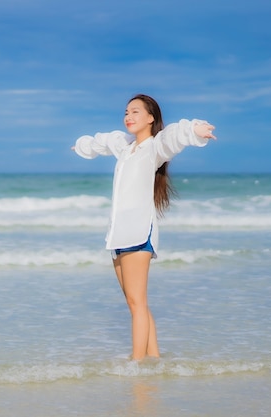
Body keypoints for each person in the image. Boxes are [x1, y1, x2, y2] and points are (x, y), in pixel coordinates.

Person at [71, 94, 216, 361]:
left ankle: (136, 364)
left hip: (138, 234)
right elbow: (103, 141)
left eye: (135, 112)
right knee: (135, 304)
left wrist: (195, 130)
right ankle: (155, 359)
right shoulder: (125, 148)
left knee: (138, 304)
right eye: (126, 112)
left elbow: (174, 136)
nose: (128, 116)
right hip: (117, 236)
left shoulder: (154, 148)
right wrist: (82, 147)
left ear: (150, 118)